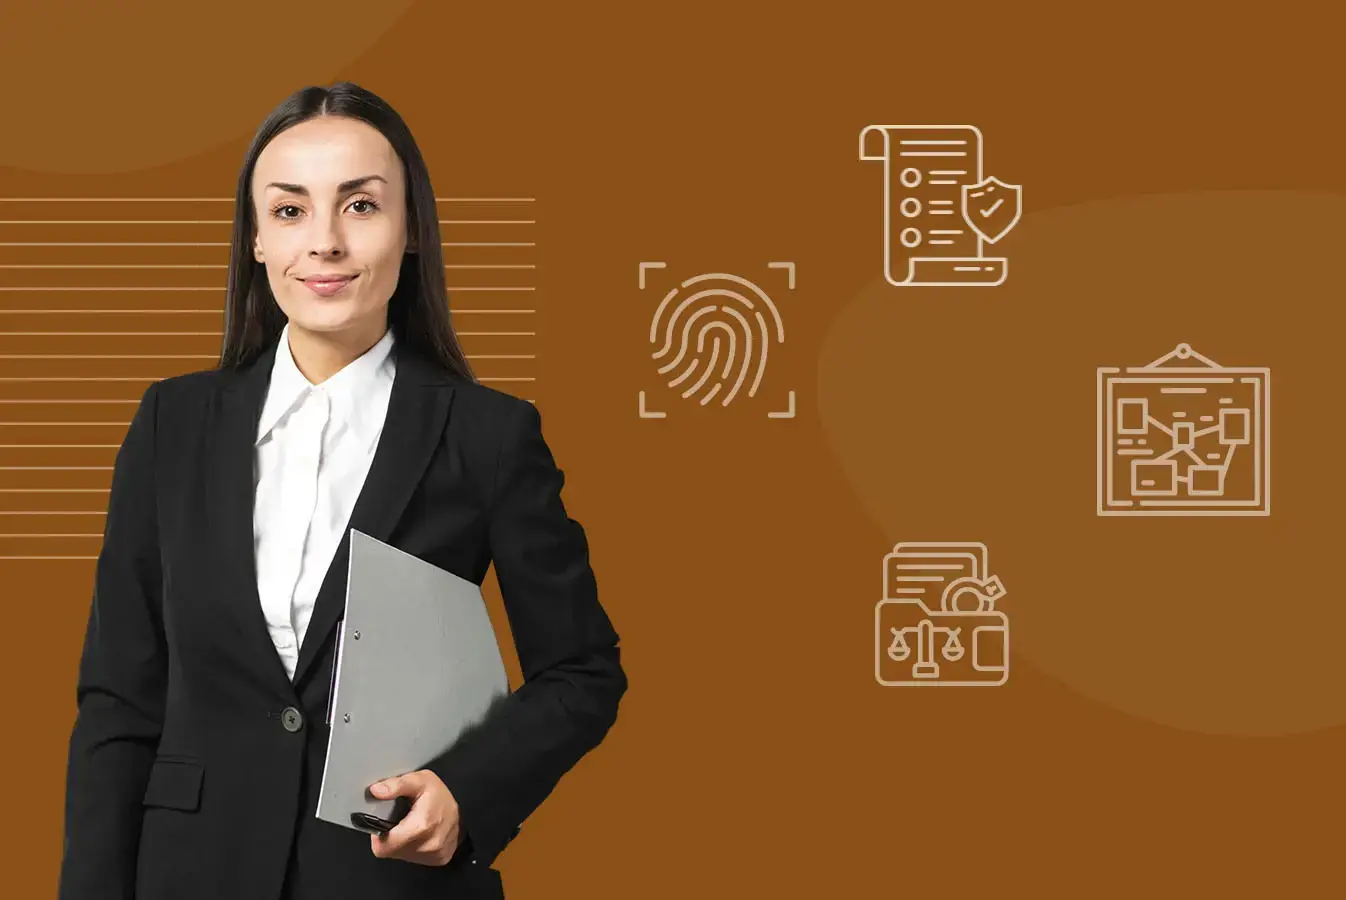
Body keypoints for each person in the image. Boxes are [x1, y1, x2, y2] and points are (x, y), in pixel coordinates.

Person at [57, 82, 627, 900]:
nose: (323, 242)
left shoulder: (489, 437)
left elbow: (582, 670)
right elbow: (119, 700)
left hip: (385, 880)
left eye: (360, 206)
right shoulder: (170, 425)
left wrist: (468, 791)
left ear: (412, 230)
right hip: (187, 873)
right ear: (255, 238)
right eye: (290, 211)